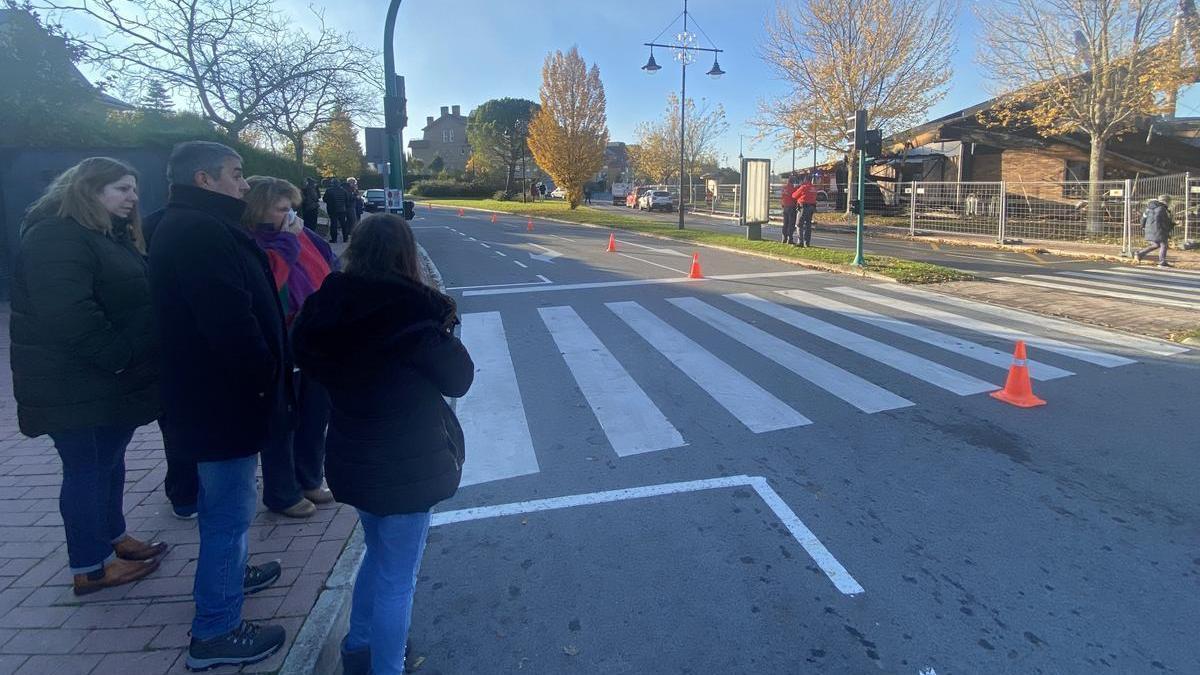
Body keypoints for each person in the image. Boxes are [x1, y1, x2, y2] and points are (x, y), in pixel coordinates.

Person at [292, 214, 474, 675]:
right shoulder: (413, 310)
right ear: (406, 254)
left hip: (352, 454)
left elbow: (309, 358)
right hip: (408, 464)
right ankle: (386, 667)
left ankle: (359, 648)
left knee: (378, 554)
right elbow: (460, 378)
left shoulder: (327, 305)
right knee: (398, 578)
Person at [148, 141, 289, 670]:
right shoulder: (200, 232)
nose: (244, 183)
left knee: (228, 506)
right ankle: (216, 630)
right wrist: (265, 376)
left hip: (211, 396)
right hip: (222, 399)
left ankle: (234, 573)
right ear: (203, 179)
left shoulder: (192, 224)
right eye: (235, 174)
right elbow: (229, 323)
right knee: (228, 512)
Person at [10, 157, 166, 596]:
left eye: (134, 189)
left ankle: (113, 538)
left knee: (108, 463)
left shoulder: (102, 235)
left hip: (104, 379)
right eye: (121, 189)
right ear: (87, 190)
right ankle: (91, 567)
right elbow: (68, 312)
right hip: (75, 382)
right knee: (86, 469)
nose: (132, 198)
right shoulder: (56, 236)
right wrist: (118, 357)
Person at [243, 176, 338, 518]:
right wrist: (287, 241)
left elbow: (328, 261)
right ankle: (283, 491)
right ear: (259, 210)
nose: (290, 216)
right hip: (283, 338)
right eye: (282, 209)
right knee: (283, 418)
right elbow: (270, 282)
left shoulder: (299, 233)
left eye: (291, 209)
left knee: (316, 411)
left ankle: (310, 476)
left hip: (315, 333)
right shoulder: (254, 243)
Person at [1134, 194, 1175, 267]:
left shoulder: (1148, 208)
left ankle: (1139, 254)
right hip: (1159, 229)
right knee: (1164, 245)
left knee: (1156, 244)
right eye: (1169, 202)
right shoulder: (1163, 209)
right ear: (1166, 201)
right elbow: (1166, 221)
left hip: (1149, 229)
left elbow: (1143, 219)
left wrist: (1143, 227)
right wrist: (1173, 224)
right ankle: (1162, 262)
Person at [793, 176, 819, 247]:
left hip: (803, 208)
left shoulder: (803, 187)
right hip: (811, 208)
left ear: (805, 180)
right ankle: (807, 243)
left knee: (799, 224)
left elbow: (794, 195)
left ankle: (800, 242)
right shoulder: (814, 188)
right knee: (808, 225)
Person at [323, 179, 351, 243]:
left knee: (333, 224)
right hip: (342, 210)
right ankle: (345, 238)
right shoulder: (344, 191)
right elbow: (347, 201)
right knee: (343, 224)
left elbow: (324, 199)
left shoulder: (329, 190)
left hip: (332, 210)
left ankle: (334, 239)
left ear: (332, 183)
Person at [780, 174, 799, 244]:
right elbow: (795, 197)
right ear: (793, 181)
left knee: (785, 223)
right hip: (791, 207)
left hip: (785, 207)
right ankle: (789, 239)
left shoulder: (784, 188)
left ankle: (783, 238)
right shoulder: (794, 189)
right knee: (791, 224)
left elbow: (782, 197)